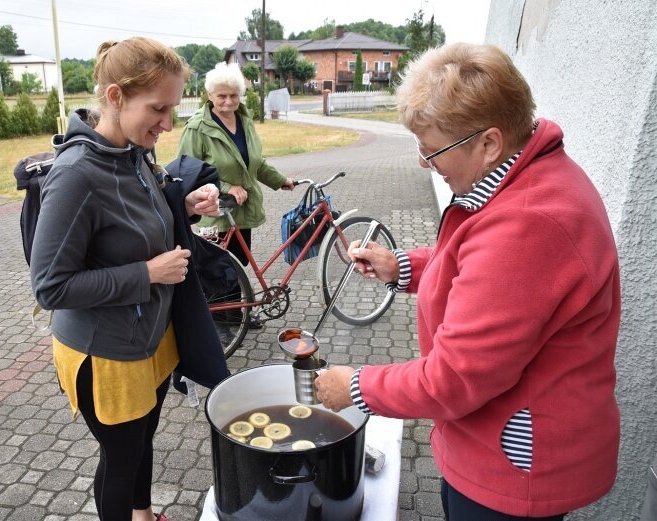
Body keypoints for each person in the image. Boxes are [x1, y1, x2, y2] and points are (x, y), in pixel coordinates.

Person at [315, 42, 621, 521]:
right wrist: (405, 266)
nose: (423, 163)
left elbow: (454, 377)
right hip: (493, 445)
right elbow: (481, 265)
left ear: (489, 143)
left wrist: (356, 388)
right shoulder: (525, 178)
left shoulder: (530, 222)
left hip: (511, 470)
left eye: (432, 149)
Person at [30, 37, 225, 521]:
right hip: (106, 355)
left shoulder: (134, 153)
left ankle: (142, 515)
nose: (167, 124)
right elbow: (50, 286)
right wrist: (146, 274)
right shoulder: (77, 174)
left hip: (151, 339)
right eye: (157, 108)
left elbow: (131, 224)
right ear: (115, 97)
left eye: (173, 109)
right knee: (120, 460)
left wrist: (183, 207)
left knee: (141, 443)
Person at [177, 61, 295, 330]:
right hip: (214, 210)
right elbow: (186, 171)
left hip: (241, 210)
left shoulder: (244, 120)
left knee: (237, 265)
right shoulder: (197, 128)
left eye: (233, 95)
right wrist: (227, 186)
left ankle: (237, 315)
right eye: (222, 96)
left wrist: (280, 181)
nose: (228, 101)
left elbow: (255, 162)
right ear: (209, 96)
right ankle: (221, 323)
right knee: (218, 268)